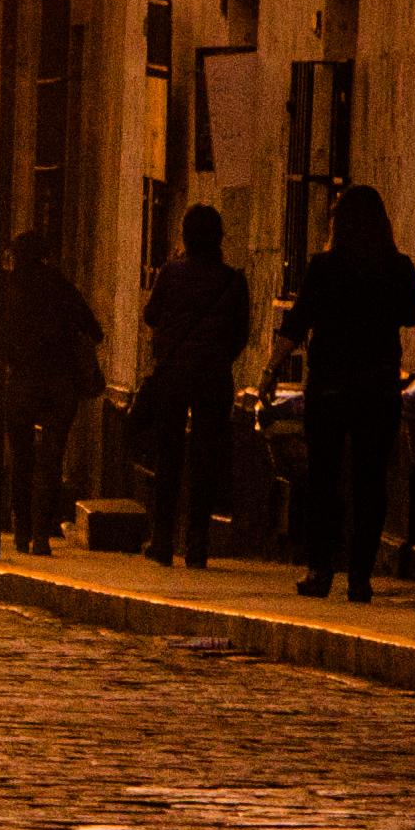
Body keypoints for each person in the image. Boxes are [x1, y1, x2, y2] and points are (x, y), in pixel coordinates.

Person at [283, 183, 415, 602]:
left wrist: (274, 369)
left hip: (329, 384)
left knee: (322, 478)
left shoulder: (323, 267)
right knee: (370, 480)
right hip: (377, 384)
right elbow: (412, 314)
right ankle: (360, 575)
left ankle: (320, 569)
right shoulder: (397, 267)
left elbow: (298, 320)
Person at [129, 209, 251, 566]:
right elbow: (240, 332)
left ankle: (163, 539)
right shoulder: (232, 280)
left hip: (174, 374)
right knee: (205, 458)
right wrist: (219, 355)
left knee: (169, 457)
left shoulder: (171, 273)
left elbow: (151, 315)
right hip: (214, 374)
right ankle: (198, 543)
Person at [0, 230, 105, 559]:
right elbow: (94, 330)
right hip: (59, 382)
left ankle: (20, 530)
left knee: (21, 459)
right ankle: (40, 534)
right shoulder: (60, 286)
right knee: (51, 460)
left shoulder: (8, 291)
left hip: (23, 382)